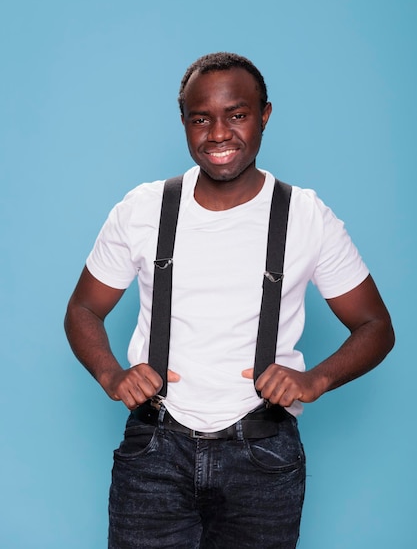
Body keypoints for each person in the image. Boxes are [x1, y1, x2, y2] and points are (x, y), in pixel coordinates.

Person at [64, 52, 394, 549]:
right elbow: (83, 309)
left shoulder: (306, 216)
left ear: (264, 115)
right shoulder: (143, 209)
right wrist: (112, 375)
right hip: (154, 450)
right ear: (184, 123)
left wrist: (315, 379)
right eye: (201, 119)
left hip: (263, 456)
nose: (218, 133)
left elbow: (375, 325)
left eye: (236, 114)